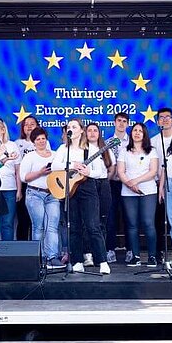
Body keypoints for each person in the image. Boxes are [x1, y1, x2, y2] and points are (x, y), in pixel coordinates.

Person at [51, 119, 111, 274]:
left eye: (74, 127)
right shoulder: (64, 148)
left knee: (93, 225)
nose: (71, 129)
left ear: (81, 130)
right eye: (69, 127)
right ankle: (77, 260)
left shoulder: (90, 148)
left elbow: (100, 172)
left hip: (87, 188)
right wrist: (72, 165)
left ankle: (102, 261)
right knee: (74, 227)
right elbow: (54, 166)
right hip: (69, 189)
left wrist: (88, 172)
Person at [19, 127, 65, 269]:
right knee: (38, 227)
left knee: (52, 226)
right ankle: (39, 257)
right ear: (33, 142)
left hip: (52, 193)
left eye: (43, 138)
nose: (41, 141)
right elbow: (24, 177)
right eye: (38, 139)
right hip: (35, 194)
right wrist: (40, 172)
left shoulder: (56, 155)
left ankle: (52, 257)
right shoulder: (30, 157)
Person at [117, 122, 159, 267]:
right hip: (128, 192)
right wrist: (129, 184)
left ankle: (152, 256)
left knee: (148, 223)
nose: (137, 133)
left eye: (140, 131)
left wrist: (136, 181)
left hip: (148, 191)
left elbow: (153, 171)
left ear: (144, 134)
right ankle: (135, 256)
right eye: (134, 130)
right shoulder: (124, 151)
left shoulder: (151, 151)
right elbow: (120, 171)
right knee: (132, 225)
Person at [85, 123, 113, 267]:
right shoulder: (82, 149)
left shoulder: (106, 149)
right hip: (87, 184)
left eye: (95, 130)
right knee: (89, 222)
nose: (92, 133)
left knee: (102, 222)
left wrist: (105, 181)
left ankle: (100, 256)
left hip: (103, 185)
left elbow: (111, 167)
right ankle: (87, 254)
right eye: (89, 130)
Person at [15, 115, 45, 241]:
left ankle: (36, 251)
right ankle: (21, 251)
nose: (29, 127)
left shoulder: (44, 143)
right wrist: (19, 190)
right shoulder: (18, 144)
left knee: (37, 221)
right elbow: (17, 169)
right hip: (23, 183)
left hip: (39, 183)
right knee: (23, 219)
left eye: (32, 124)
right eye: (26, 124)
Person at [151, 107, 172, 261]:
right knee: (158, 221)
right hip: (156, 183)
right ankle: (159, 252)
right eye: (161, 117)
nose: (165, 120)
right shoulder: (153, 141)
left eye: (168, 117)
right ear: (157, 121)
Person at [106, 112, 130, 264]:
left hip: (128, 184)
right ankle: (110, 249)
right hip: (113, 184)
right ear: (114, 123)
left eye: (124, 121)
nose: (121, 123)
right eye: (119, 121)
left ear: (128, 124)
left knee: (129, 218)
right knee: (111, 217)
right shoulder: (108, 142)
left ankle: (130, 249)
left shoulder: (133, 141)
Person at [0, 118, 22, 241]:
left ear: (3, 130)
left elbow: (18, 170)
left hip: (10, 189)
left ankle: (6, 253)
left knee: (7, 223)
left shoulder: (12, 145)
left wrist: (19, 190)